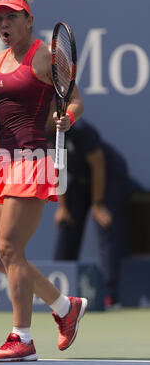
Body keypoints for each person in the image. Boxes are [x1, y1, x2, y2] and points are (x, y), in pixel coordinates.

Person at [0, 0, 87, 362]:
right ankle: (65, 307)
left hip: (33, 161)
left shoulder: (47, 57)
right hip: (2, 164)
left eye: (11, 17)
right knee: (0, 259)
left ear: (29, 20)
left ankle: (23, 339)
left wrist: (69, 116)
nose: (3, 24)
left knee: (11, 249)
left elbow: (75, 99)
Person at [47, 117, 129, 309]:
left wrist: (98, 204)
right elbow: (57, 169)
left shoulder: (81, 129)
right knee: (67, 223)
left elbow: (98, 164)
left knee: (104, 224)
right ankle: (58, 295)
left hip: (109, 176)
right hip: (81, 180)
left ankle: (110, 296)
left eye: (50, 108)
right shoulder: (45, 132)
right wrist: (63, 208)